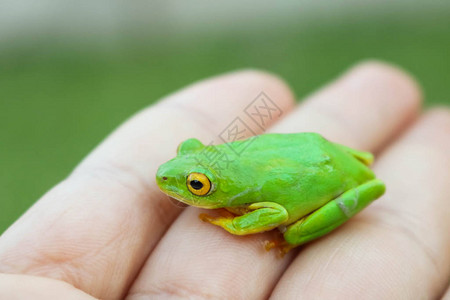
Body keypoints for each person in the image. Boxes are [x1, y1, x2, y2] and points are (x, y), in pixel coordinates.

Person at [0, 61, 449, 299]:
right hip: (328, 151)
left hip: (339, 179)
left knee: (289, 227)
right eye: (190, 166)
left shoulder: (241, 196)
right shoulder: (226, 164)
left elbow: (272, 211)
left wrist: (237, 224)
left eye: (195, 185)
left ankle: (295, 237)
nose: (175, 180)